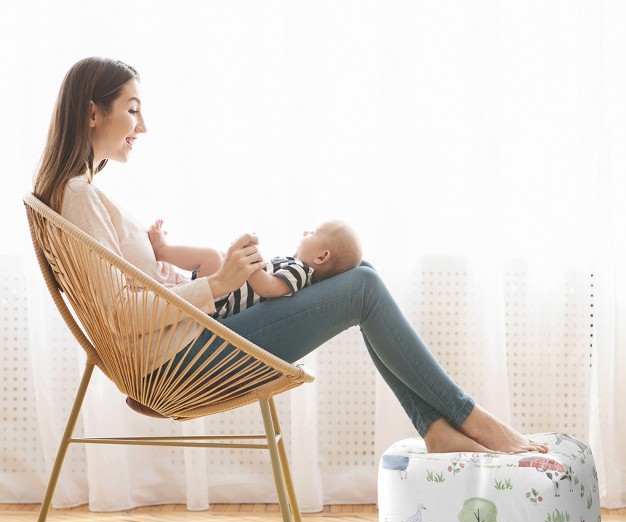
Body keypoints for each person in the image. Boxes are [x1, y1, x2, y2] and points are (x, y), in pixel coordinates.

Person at [33, 57, 548, 455]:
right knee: (363, 288)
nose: (141, 127)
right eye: (133, 109)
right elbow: (121, 317)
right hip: (178, 362)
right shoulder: (78, 196)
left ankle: (437, 427)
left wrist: (184, 269)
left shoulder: (83, 194)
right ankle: (466, 417)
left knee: (360, 273)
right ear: (92, 110)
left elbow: (129, 295)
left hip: (187, 343)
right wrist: (217, 284)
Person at [148, 218, 362, 318]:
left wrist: (249, 260)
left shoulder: (300, 272)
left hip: (224, 305)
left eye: (313, 233)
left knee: (212, 256)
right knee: (218, 257)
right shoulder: (297, 268)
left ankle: (162, 251)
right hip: (227, 295)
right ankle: (178, 272)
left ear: (322, 257)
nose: (306, 231)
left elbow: (268, 288)